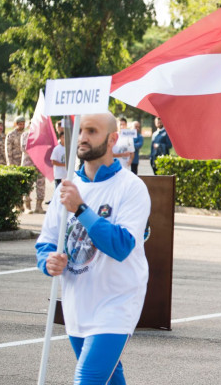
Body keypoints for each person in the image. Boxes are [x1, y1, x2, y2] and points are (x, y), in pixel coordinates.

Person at [35, 112, 151, 385]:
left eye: (92, 131)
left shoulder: (131, 187)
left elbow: (121, 246)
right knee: (110, 378)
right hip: (77, 301)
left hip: (117, 301)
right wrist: (48, 260)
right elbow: (46, 241)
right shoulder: (67, 188)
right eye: (80, 131)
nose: (83, 137)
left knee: (88, 378)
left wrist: (81, 209)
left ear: (112, 139)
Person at [20, 127, 45, 214]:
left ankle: (39, 206)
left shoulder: (42, 135)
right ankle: (27, 206)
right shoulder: (26, 134)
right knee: (27, 184)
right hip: (28, 164)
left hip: (40, 163)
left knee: (41, 185)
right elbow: (24, 148)